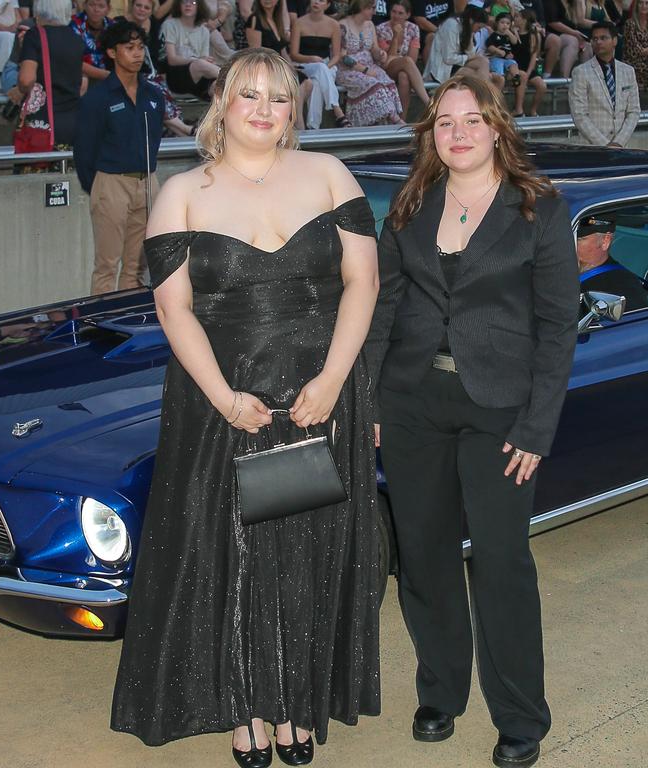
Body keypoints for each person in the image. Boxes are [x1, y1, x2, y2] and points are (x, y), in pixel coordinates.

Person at [110, 47, 381, 768]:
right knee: (234, 553)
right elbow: (174, 310)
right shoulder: (184, 192)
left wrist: (332, 380)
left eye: (279, 97)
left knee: (308, 549)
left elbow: (363, 284)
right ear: (222, 105)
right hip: (222, 402)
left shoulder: (329, 175)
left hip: (323, 395)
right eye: (248, 95)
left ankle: (297, 703)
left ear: (295, 109)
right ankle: (248, 707)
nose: (264, 109)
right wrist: (226, 399)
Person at [364, 73, 578, 768]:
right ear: (431, 133)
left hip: (502, 411)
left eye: (471, 120)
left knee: (501, 562)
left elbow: (557, 326)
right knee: (423, 557)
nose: (457, 133)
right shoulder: (410, 204)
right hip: (412, 403)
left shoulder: (538, 210)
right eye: (444, 122)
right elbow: (383, 311)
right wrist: (369, 400)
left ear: (496, 128)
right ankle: (441, 691)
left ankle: (520, 716)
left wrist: (538, 427)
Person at [74, 20, 163, 295]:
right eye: (129, 47)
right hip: (111, 181)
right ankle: (101, 327)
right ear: (112, 53)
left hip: (147, 180)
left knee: (136, 268)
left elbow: (155, 138)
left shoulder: (153, 94)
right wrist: (100, 186)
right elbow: (84, 150)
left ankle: (131, 322)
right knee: (107, 265)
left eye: (140, 47)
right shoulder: (98, 97)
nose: (137, 53)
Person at [118, 0, 196, 136]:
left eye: (146, 7)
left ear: (151, 11)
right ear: (132, 6)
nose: (142, 9)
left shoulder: (154, 25)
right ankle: (187, 130)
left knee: (159, 91)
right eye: (138, 5)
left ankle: (184, 133)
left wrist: (162, 77)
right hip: (129, 76)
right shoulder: (119, 23)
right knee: (154, 92)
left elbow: (160, 57)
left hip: (152, 76)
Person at [17, 0, 85, 148]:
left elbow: (26, 80)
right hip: (73, 120)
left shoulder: (34, 35)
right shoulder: (77, 40)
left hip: (43, 123)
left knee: (37, 167)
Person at [569, 20, 638, 146]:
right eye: (594, 39)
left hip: (622, 148)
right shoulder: (580, 72)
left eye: (603, 38)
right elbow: (579, 115)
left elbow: (633, 111)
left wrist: (618, 143)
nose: (598, 42)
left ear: (615, 41)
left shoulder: (628, 71)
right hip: (592, 148)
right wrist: (606, 145)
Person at [246, 0, 313, 130]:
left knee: (307, 82)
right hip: (264, 68)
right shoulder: (254, 19)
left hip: (279, 66)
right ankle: (298, 124)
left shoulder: (277, 21)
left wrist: (290, 67)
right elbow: (255, 52)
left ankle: (292, 122)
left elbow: (282, 50)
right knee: (297, 83)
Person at [336, 0, 404, 125]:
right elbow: (342, 57)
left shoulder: (370, 25)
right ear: (363, 7)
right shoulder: (343, 26)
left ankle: (386, 122)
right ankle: (395, 120)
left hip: (370, 66)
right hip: (349, 70)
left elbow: (374, 48)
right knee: (373, 83)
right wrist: (364, 70)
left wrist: (380, 54)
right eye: (372, 8)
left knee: (387, 82)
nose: (374, 11)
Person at [289, 0, 349, 127]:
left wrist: (325, 68)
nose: (316, 2)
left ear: (327, 5)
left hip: (327, 65)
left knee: (317, 82)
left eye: (321, 0)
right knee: (320, 71)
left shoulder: (333, 24)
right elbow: (293, 54)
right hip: (304, 64)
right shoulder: (299, 23)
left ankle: (313, 126)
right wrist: (311, 58)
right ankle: (337, 110)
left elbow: (336, 55)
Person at [575, 213, 648, 311]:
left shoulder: (623, 290)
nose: (568, 244)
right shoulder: (557, 271)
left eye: (578, 239)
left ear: (605, 241)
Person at [424, 5, 504, 86]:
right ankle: (485, 95)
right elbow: (448, 58)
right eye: (479, 27)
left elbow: (471, 53)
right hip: (443, 69)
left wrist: (471, 36)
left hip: (457, 65)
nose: (478, 30)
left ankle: (485, 95)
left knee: (484, 61)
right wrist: (468, 57)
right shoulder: (451, 26)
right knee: (482, 78)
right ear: (471, 20)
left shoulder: (467, 28)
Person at [375, 0, 430, 115]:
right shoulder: (381, 29)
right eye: (394, 12)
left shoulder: (413, 28)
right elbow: (388, 58)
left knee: (404, 76)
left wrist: (404, 62)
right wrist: (395, 36)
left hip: (405, 68)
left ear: (408, 15)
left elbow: (413, 58)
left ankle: (402, 120)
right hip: (385, 67)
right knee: (406, 61)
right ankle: (429, 103)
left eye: (400, 13)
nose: (396, 16)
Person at [161, 0, 219, 97]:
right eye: (184, 2)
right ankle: (235, 77)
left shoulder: (204, 31)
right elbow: (172, 60)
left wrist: (206, 62)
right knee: (199, 63)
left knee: (218, 85)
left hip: (198, 77)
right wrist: (195, 60)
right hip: (176, 75)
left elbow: (204, 58)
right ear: (179, 5)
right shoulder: (169, 25)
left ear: (199, 7)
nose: (188, 5)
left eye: (193, 2)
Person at [71, 0, 114, 87]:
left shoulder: (114, 27)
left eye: (101, 6)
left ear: (108, 9)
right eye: (92, 5)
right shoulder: (74, 24)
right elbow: (72, 60)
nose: (96, 9)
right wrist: (106, 75)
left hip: (109, 79)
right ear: (84, 5)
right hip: (80, 78)